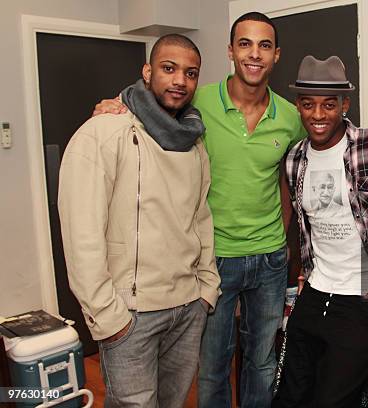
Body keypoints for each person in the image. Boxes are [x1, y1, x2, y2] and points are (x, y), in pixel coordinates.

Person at [93, 12, 307, 408]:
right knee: (212, 365)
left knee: (261, 362)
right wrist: (116, 103)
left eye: (264, 45)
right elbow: (151, 105)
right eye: (244, 44)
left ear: (276, 55)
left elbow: (288, 179)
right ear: (230, 51)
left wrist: (281, 231)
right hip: (213, 258)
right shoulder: (199, 101)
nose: (254, 54)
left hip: (270, 259)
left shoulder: (290, 117)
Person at [58, 34, 220, 408]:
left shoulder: (194, 142)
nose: (180, 80)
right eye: (168, 68)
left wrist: (206, 289)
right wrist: (107, 315)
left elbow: (200, 217)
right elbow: (82, 233)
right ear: (147, 72)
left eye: (190, 73)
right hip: (131, 314)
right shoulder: (102, 132)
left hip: (187, 305)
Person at [272, 55, 368, 408]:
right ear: (298, 106)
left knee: (333, 400)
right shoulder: (295, 158)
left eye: (329, 104)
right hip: (315, 292)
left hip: (364, 300)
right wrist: (305, 273)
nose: (318, 115)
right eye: (308, 105)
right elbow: (303, 224)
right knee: (289, 396)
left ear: (345, 104)